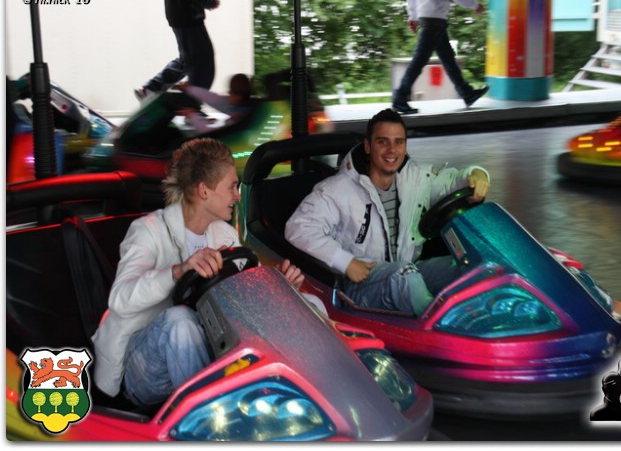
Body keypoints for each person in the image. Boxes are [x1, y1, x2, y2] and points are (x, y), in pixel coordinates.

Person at [91, 138, 304, 408]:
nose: (238, 195)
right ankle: (214, 416)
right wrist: (178, 271)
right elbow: (120, 299)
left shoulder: (224, 235)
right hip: (142, 368)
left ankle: (287, 403)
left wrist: (280, 286)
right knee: (180, 320)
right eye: (231, 187)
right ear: (204, 190)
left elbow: (248, 295)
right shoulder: (148, 231)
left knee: (305, 305)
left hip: (203, 350)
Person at [285, 108, 490, 316]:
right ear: (368, 146)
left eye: (398, 142)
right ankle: (447, 327)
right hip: (361, 284)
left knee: (469, 264)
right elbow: (299, 227)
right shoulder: (337, 190)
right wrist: (346, 262)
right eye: (383, 142)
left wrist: (476, 174)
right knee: (405, 275)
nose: (392, 150)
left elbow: (452, 181)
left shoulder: (415, 179)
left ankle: (485, 319)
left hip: (408, 270)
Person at [392, 0, 489, 115]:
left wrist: (413, 17)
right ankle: (399, 98)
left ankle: (467, 93)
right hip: (435, 20)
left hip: (427, 18)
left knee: (448, 59)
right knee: (419, 60)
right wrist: (474, 5)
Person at [135, 0, 220, 100]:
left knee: (189, 59)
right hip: (187, 15)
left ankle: (151, 88)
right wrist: (209, 2)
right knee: (202, 61)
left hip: (182, 14)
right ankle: (191, 104)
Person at [175, 73, 255, 133]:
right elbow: (214, 99)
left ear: (237, 96)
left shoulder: (237, 119)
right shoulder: (245, 108)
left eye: (230, 92)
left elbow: (209, 133)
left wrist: (192, 115)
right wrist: (189, 89)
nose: (228, 96)